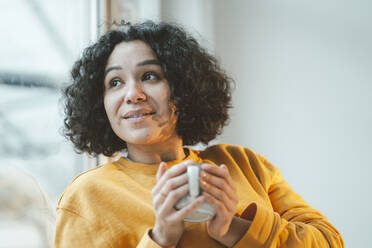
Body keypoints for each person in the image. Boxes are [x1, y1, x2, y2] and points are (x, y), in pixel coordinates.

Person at [55, 21, 344, 247]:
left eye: (150, 76)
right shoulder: (87, 197)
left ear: (183, 87)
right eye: (115, 82)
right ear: (100, 102)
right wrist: (162, 237)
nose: (133, 94)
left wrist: (234, 228)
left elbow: (330, 241)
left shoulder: (244, 165)